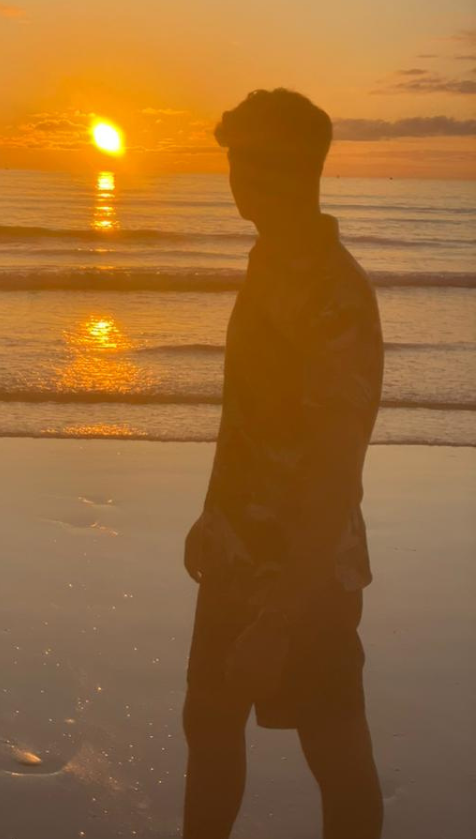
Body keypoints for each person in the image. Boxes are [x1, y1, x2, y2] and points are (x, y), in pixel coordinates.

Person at [182, 89, 384, 839]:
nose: (235, 175)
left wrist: (278, 614)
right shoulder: (268, 262)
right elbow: (249, 423)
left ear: (293, 168)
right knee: (207, 728)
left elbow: (334, 467)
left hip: (307, 574)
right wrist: (213, 516)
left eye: (248, 159)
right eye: (233, 157)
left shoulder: (334, 295)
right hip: (237, 553)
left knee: (334, 753)